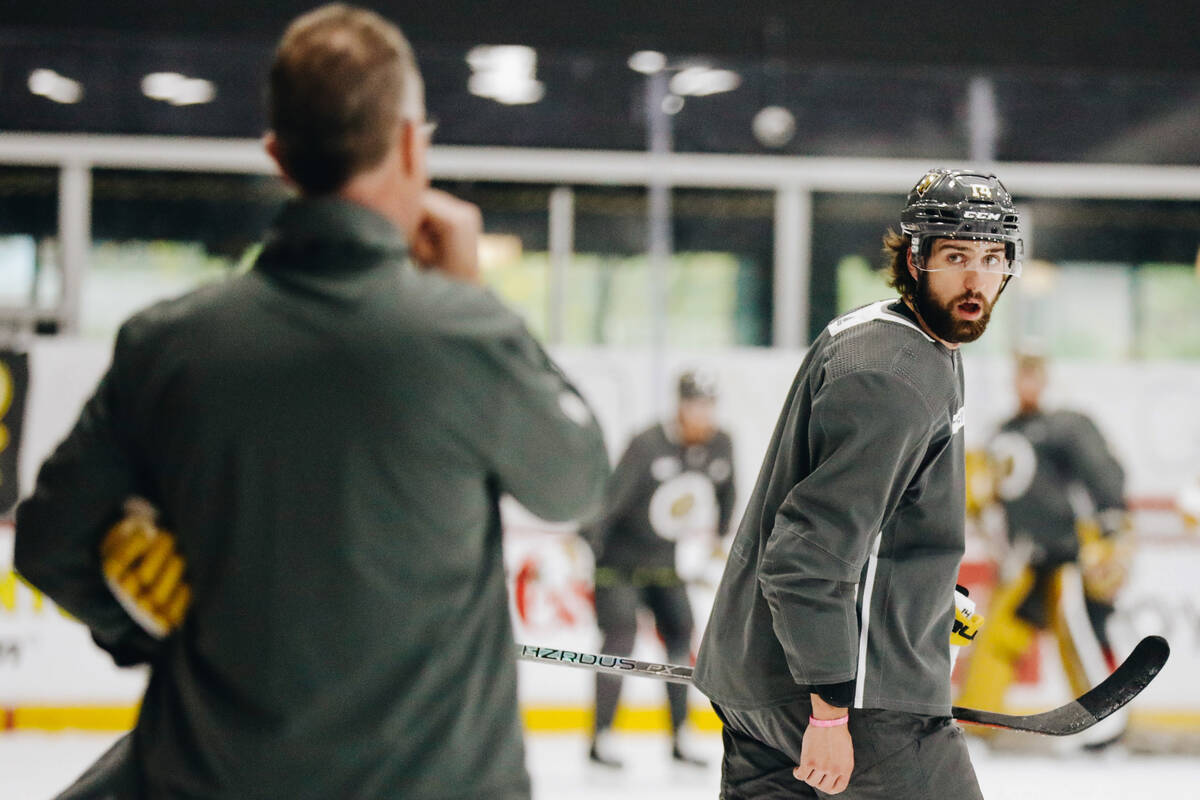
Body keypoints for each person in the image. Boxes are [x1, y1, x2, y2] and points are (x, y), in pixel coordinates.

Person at [13, 5, 609, 799]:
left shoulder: (167, 346)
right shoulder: (466, 336)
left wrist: (157, 634)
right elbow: (574, 483)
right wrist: (476, 299)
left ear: (279, 158)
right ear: (407, 144)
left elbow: (50, 541)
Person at [694, 168, 1022, 798]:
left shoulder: (893, 338)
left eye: (992, 257)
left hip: (759, 679)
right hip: (855, 698)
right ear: (917, 258)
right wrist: (829, 712)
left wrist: (920, 593)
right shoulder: (895, 378)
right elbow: (805, 553)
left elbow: (871, 522)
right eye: (956, 256)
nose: (977, 280)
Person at [956, 351, 1131, 747]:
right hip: (1024, 561)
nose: (1028, 384)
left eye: (1035, 375)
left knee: (1080, 638)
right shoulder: (1001, 435)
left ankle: (1105, 728)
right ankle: (976, 728)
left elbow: (1102, 472)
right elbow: (981, 495)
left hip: (1066, 555)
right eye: (1023, 375)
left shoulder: (1064, 427)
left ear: (1046, 379)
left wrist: (1111, 526)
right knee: (995, 640)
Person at [582, 369, 736, 768]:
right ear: (679, 405)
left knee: (681, 634)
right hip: (620, 562)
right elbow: (610, 501)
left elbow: (727, 492)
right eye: (693, 405)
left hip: (665, 563)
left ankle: (680, 735)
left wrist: (717, 540)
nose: (701, 414)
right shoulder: (647, 444)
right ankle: (601, 736)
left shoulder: (721, 444)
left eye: (707, 406)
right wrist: (587, 546)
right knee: (620, 639)